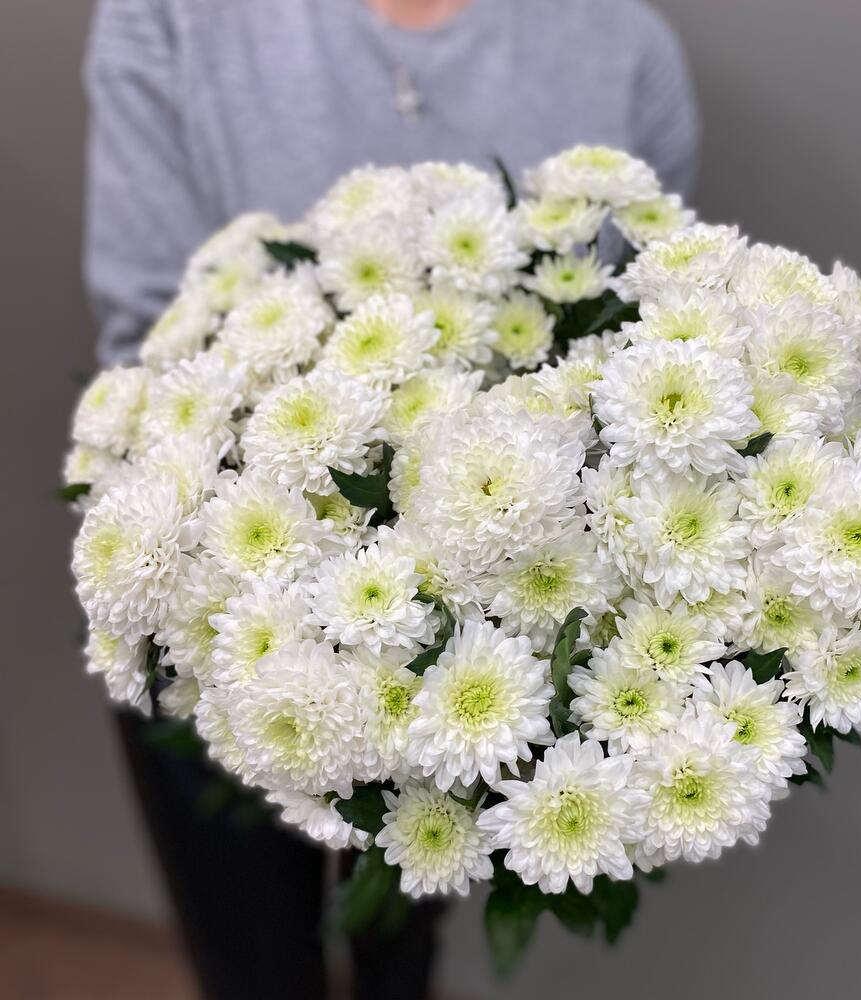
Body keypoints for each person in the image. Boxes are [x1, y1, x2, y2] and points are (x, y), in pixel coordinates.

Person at [82, 1, 700, 997]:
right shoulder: (173, 18)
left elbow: (642, 344)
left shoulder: (624, 46)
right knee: (252, 961)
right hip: (217, 599)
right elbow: (151, 342)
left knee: (406, 945)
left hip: (499, 623)